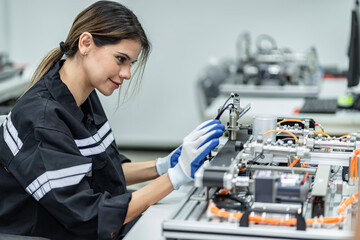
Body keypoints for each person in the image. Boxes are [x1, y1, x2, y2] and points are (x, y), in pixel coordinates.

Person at [0, 1, 225, 240]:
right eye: (121, 59)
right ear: (86, 43)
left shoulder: (83, 96)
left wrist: (163, 165)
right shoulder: (42, 118)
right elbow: (91, 216)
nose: (127, 73)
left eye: (130, 64)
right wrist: (175, 176)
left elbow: (105, 171)